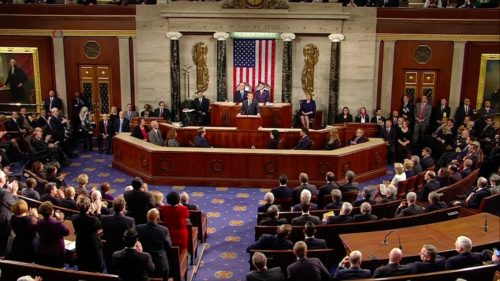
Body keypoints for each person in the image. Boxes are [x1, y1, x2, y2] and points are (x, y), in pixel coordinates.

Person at [101, 197, 135, 274]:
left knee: (110, 269)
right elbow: (132, 235)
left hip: (108, 249)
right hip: (123, 249)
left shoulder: (105, 218)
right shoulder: (130, 220)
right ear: (123, 208)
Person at [137, 208, 172, 280]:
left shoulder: (139, 228)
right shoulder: (163, 229)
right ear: (158, 218)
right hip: (160, 263)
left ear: (147, 217)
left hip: (143, 263)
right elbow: (168, 245)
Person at [72, 196, 104, 272]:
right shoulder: (93, 219)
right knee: (96, 265)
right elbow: (99, 225)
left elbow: (84, 219)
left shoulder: (74, 217)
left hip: (81, 243)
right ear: (89, 206)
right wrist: (98, 211)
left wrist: (90, 213)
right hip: (92, 244)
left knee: (83, 263)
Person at [35, 201, 69, 268]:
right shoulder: (57, 223)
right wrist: (60, 220)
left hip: (43, 250)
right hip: (57, 252)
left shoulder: (38, 222)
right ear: (52, 211)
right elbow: (67, 232)